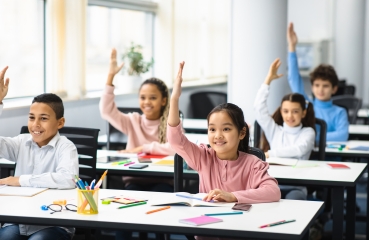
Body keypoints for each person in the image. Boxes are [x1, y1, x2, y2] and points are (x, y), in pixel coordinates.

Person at [167, 62, 280, 233]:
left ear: (242, 133)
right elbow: (175, 139)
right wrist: (174, 99)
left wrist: (233, 197)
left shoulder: (253, 163)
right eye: (212, 129)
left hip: (241, 230)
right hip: (209, 230)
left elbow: (273, 191)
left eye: (226, 129)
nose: (218, 135)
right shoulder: (203, 157)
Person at [100, 49, 174, 240]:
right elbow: (107, 111)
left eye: (153, 97)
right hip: (135, 181)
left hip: (162, 183)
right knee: (122, 214)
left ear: (164, 100)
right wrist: (110, 77)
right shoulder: (133, 120)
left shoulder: (171, 123)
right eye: (142, 97)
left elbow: (174, 148)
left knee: (160, 208)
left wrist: (142, 148)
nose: (146, 102)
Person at [0, 66, 79, 240]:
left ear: (60, 123)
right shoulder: (21, 142)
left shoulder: (66, 147)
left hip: (53, 223)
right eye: (31, 117)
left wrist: (20, 180)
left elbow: (68, 179)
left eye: (43, 118)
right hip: (19, 220)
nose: (35, 124)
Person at [254, 58, 316, 200]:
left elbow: (299, 149)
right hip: (271, 184)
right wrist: (268, 80)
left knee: (294, 201)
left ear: (303, 113)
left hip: (296, 186)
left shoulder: (308, 132)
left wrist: (270, 153)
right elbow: (258, 108)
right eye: (286, 111)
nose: (290, 116)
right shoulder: (275, 130)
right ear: (281, 112)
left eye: (295, 111)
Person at [287, 22, 349, 141]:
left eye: (325, 86)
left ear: (334, 89)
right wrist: (292, 47)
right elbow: (293, 79)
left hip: (331, 157)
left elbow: (342, 135)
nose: (320, 89)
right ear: (312, 87)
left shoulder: (339, 112)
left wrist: (312, 137)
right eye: (317, 85)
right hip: (309, 157)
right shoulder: (307, 105)